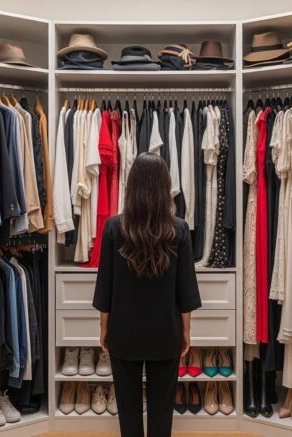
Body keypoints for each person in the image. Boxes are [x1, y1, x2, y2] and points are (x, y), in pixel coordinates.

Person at [93, 152, 202, 437]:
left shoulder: (114, 227)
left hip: (123, 332)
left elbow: (105, 286)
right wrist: (186, 332)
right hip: (166, 333)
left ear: (132, 186)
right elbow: (185, 288)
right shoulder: (178, 229)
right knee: (161, 411)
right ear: (164, 186)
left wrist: (104, 328)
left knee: (127, 411)